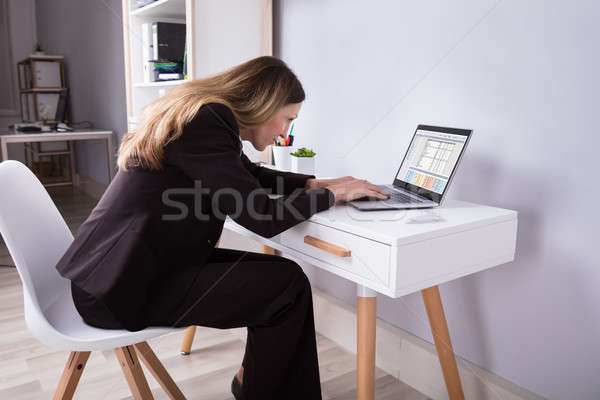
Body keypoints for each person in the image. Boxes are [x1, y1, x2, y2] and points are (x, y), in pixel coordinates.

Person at [54, 56, 389, 400]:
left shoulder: (204, 116)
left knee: (285, 279)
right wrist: (332, 196)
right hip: (122, 288)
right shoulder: (208, 120)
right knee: (285, 288)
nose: (285, 133)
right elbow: (262, 216)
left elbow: (251, 175)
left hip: (125, 272)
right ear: (264, 104)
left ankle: (252, 384)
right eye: (287, 119)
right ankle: (254, 387)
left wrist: (316, 184)